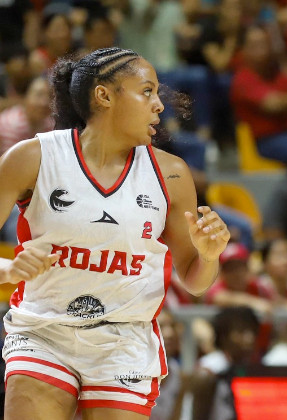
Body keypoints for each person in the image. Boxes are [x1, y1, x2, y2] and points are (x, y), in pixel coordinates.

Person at [0, 47, 230, 420]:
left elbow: (195, 281)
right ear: (103, 95)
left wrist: (208, 254)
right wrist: (8, 270)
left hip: (124, 339)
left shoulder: (172, 173)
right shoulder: (33, 157)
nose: (159, 105)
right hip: (44, 330)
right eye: (147, 91)